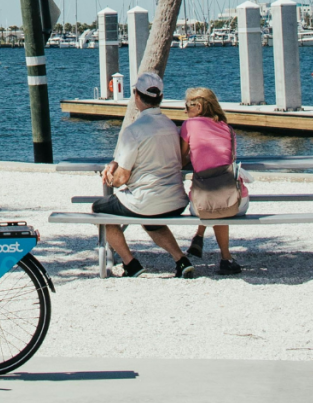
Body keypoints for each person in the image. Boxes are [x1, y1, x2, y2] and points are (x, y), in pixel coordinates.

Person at [92, 73, 195, 279]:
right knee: (151, 220)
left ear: (136, 96)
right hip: (176, 201)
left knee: (100, 209)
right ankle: (181, 260)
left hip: (145, 202)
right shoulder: (171, 127)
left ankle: (130, 264)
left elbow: (121, 178)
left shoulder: (133, 130)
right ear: (161, 97)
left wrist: (109, 175)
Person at [180, 87, 250, 275]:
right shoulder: (227, 129)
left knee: (212, 200)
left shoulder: (189, 126)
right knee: (219, 197)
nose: (184, 111)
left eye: (187, 106)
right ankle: (221, 255)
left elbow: (180, 158)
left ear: (199, 107)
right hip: (238, 201)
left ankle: (220, 252)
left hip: (206, 204)